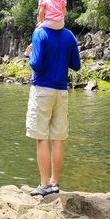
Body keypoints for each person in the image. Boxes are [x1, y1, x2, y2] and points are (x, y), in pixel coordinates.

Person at [24, 19, 81, 196]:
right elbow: (76, 65)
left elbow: (37, 64)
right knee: (58, 138)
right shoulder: (69, 35)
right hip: (61, 92)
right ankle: (55, 182)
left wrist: (29, 55)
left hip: (42, 90)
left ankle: (44, 184)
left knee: (41, 138)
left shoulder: (39, 33)